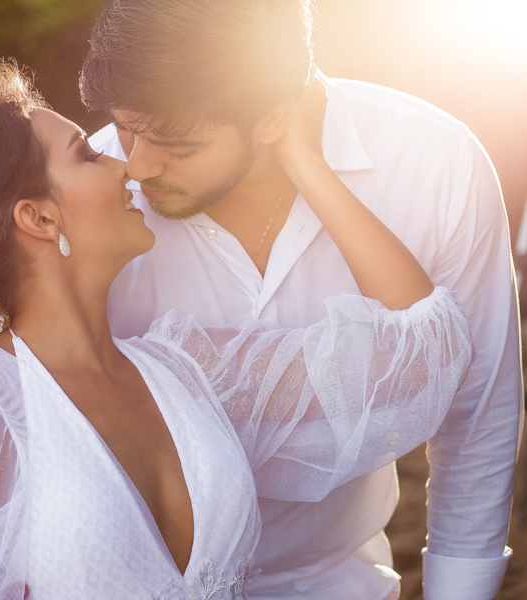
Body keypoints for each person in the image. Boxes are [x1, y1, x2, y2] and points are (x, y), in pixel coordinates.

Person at [0, 62, 473, 600]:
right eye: (87, 154)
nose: (125, 168)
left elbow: (419, 355)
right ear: (37, 217)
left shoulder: (190, 372)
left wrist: (303, 159)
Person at [80, 1, 522, 599]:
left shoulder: (435, 165)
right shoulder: (90, 191)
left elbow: (477, 413)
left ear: (271, 117)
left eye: (177, 147)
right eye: (126, 126)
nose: (136, 165)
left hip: (344, 584)